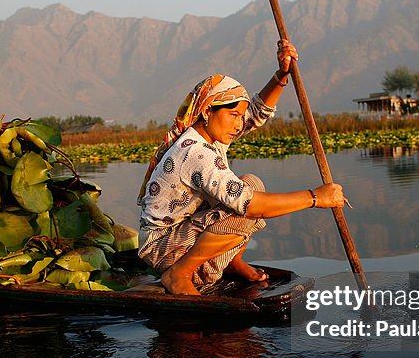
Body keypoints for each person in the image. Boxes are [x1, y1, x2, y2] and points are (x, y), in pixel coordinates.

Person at [137, 39, 346, 295]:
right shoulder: (196, 152)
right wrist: (315, 198)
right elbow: (250, 204)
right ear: (207, 112)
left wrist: (281, 75)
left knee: (252, 182)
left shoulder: (211, 135)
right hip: (163, 247)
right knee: (243, 210)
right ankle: (178, 273)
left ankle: (231, 261)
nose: (238, 125)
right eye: (233, 115)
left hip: (186, 231)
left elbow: (258, 112)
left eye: (240, 116)